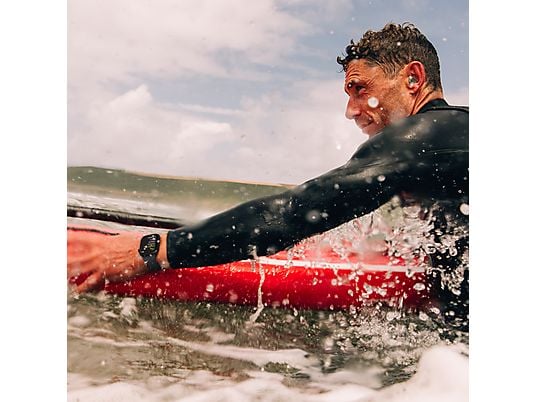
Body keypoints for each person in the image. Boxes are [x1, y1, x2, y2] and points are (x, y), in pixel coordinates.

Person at [68, 23, 468, 328]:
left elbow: (295, 213)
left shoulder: (421, 139)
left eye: (359, 89)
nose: (350, 111)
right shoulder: (451, 136)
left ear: (412, 78)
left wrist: (152, 250)